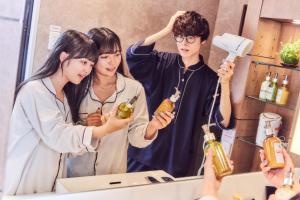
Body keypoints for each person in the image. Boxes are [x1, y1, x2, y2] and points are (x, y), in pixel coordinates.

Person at [4, 30, 131, 195]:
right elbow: (58, 136)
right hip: (24, 186)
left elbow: (67, 148)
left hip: (50, 188)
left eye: (91, 65)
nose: (87, 70)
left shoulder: (64, 97)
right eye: (84, 62)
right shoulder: (34, 90)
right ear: (64, 57)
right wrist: (104, 130)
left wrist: (93, 127)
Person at [126, 11, 235, 177]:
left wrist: (225, 83)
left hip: (174, 162)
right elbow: (133, 54)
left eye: (191, 38)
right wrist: (167, 28)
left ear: (203, 41)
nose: (184, 43)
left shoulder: (210, 79)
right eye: (179, 36)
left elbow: (223, 120)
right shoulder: (160, 61)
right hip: (142, 152)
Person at [66, 27, 174, 177]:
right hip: (74, 176)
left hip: (112, 177)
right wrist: (86, 127)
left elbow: (136, 138)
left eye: (117, 54)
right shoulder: (75, 85)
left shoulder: (134, 89)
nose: (113, 62)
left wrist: (153, 126)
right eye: (105, 57)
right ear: (92, 56)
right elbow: (62, 133)